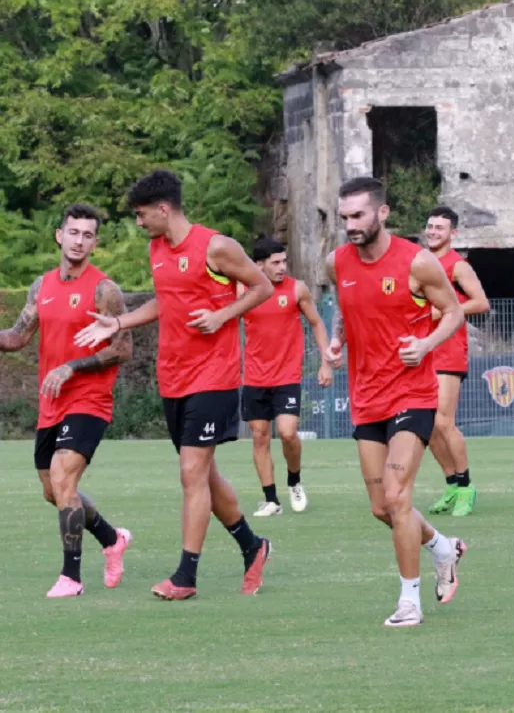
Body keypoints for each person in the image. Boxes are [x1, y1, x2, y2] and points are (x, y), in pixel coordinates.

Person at [75, 169, 274, 600]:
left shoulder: (217, 246)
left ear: (164, 209)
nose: (139, 223)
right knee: (204, 474)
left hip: (214, 376)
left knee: (190, 474)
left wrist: (222, 316)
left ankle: (186, 576)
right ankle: (253, 547)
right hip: (174, 377)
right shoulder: (157, 249)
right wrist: (118, 321)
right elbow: (166, 302)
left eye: (142, 215)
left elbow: (262, 287)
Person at [325, 177, 468, 627]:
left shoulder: (418, 262)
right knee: (381, 508)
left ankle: (410, 601)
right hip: (366, 397)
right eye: (344, 217)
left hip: (412, 393)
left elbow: (455, 311)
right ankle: (443, 548)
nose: (350, 225)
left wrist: (425, 346)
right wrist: (334, 341)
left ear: (382, 213)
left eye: (359, 215)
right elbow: (346, 309)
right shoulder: (336, 262)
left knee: (397, 496)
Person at [0, 204, 133, 597]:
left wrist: (73, 366)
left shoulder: (104, 290)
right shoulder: (41, 286)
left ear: (95, 242)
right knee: (53, 490)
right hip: (51, 402)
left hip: (89, 399)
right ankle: (112, 539)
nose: (79, 241)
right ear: (60, 236)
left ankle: (71, 577)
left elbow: (122, 348)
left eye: (87, 235)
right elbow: (18, 335)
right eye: (73, 232)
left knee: (63, 478)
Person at [241, 236, 333, 516]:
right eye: (275, 262)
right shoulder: (243, 291)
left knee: (288, 433)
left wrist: (325, 362)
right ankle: (271, 500)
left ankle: (294, 480)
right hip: (254, 378)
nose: (282, 267)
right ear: (258, 265)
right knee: (259, 437)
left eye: (284, 261)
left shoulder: (297, 290)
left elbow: (316, 323)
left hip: (287, 376)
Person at [423, 207, 491, 517]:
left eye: (440, 227)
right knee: (426, 425)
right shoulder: (420, 263)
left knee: (442, 422)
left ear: (454, 234)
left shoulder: (458, 266)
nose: (434, 231)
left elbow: (481, 302)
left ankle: (466, 487)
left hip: (448, 351)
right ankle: (451, 485)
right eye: (430, 226)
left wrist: (447, 311)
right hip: (422, 351)